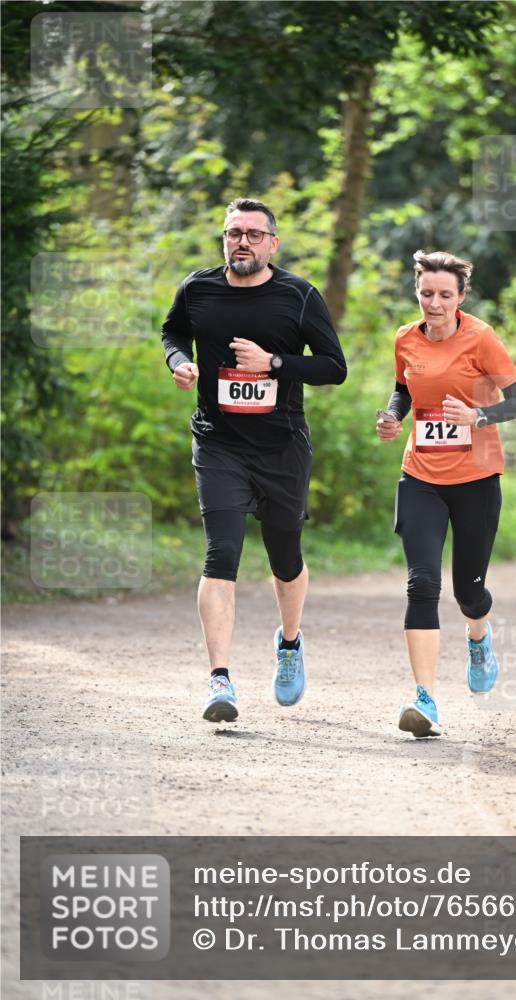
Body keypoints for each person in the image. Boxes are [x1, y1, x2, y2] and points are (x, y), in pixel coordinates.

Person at [161, 197, 347, 724]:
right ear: (224, 238)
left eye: (253, 234)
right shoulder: (198, 289)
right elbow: (172, 331)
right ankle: (220, 680)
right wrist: (180, 362)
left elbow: (334, 367)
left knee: (284, 555)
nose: (242, 241)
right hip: (218, 442)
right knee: (221, 553)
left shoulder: (299, 295)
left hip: (282, 446)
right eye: (233, 232)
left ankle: (289, 643)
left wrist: (275, 363)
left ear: (272, 243)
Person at [377, 250, 516, 738]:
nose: (434, 304)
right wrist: (392, 416)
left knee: (468, 591)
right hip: (420, 475)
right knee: (422, 583)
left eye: (445, 295)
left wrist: (478, 417)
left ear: (461, 297)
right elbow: (403, 388)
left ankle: (479, 635)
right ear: (416, 292)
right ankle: (425, 698)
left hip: (477, 479)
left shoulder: (481, 338)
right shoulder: (404, 338)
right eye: (426, 294)